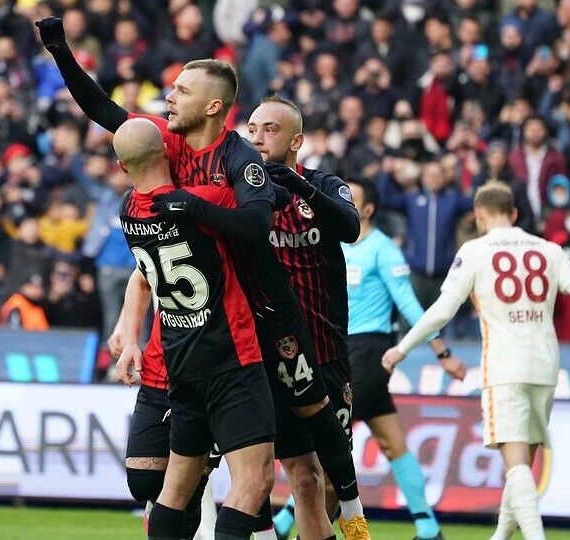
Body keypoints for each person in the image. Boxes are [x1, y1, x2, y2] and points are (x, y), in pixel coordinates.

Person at [37, 16, 368, 539]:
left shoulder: (239, 159)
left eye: (182, 90)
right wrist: (61, 55)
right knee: (208, 475)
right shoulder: (167, 145)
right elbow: (107, 113)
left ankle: (351, 512)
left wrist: (188, 203)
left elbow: (259, 224)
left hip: (269, 313)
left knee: (305, 439)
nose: (169, 98)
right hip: (209, 332)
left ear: (213, 106)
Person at [381, 182, 570, 540]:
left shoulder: (475, 251)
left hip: (505, 367)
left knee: (516, 465)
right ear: (515, 214)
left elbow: (443, 311)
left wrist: (403, 347)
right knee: (519, 468)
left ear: (478, 215)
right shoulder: (549, 250)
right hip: (546, 366)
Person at [115, 117, 275, 540]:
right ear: (168, 151)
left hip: (179, 360)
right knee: (254, 481)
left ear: (122, 169)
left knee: (176, 487)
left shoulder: (127, 208)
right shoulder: (205, 198)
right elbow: (255, 214)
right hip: (229, 355)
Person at [247, 95, 364, 540]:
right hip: (265, 356)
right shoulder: (244, 194)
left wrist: (298, 187)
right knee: (295, 474)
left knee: (328, 481)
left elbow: (350, 229)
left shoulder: (323, 184)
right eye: (252, 128)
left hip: (326, 351)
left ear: (296, 140)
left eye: (269, 129)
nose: (257, 137)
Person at [336, 176, 466, 540]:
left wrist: (443, 353)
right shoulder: (335, 243)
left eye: (351, 197)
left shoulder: (383, 250)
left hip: (372, 353)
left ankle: (287, 522)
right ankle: (428, 528)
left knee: (331, 440)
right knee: (392, 441)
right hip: (340, 350)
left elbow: (409, 304)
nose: (343, 200)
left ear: (368, 209)